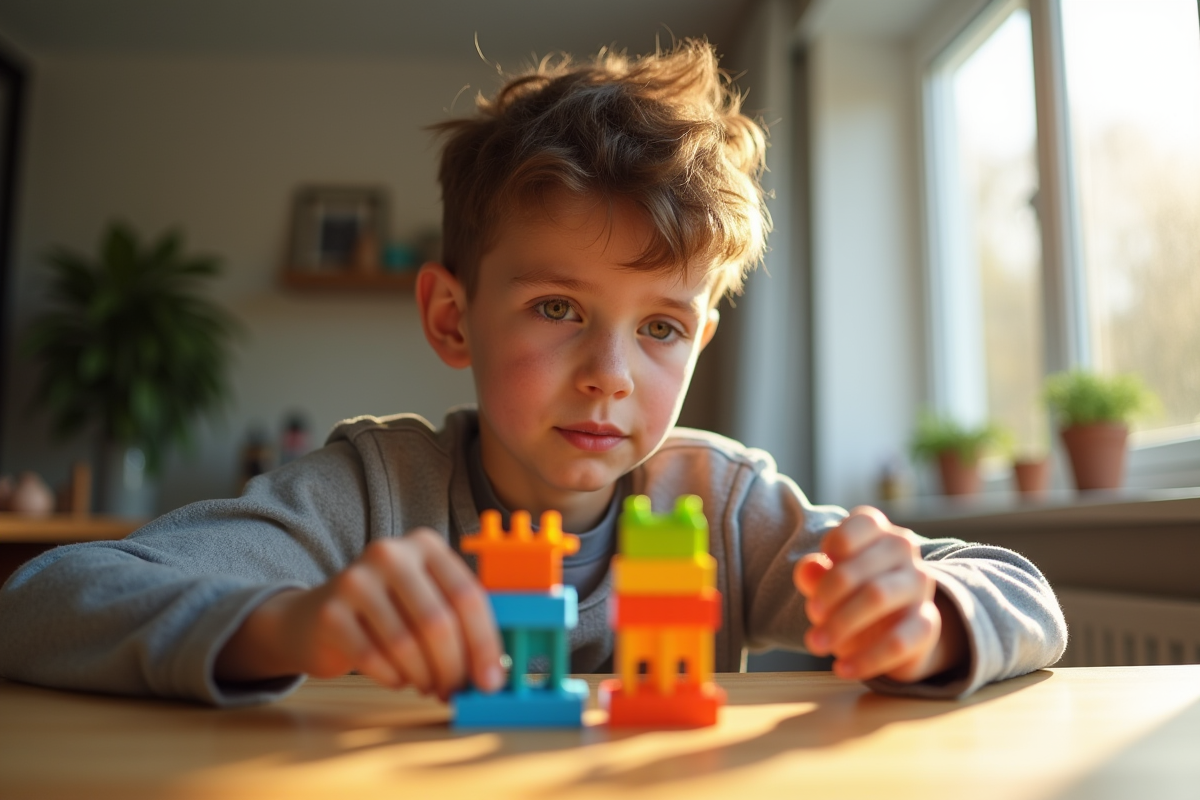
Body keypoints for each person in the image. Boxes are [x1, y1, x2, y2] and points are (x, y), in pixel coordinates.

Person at [0, 40, 1066, 707]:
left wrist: (925, 613)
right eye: (559, 309)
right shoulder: (370, 498)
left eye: (661, 327)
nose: (609, 376)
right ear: (451, 317)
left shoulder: (722, 503)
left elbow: (1026, 594)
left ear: (701, 339)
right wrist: (293, 621)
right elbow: (44, 600)